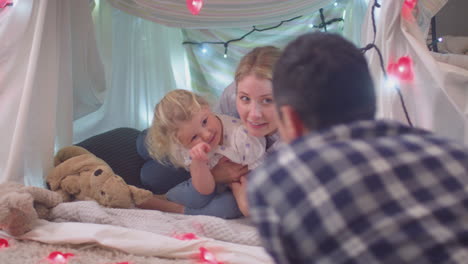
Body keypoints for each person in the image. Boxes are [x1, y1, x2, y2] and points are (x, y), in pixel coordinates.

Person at [248, 32, 468, 263]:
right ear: (371, 100)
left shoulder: (275, 181)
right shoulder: (452, 153)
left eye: (267, 101)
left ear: (291, 120)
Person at [138, 46, 282, 213]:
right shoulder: (231, 97)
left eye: (267, 100)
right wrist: (212, 170)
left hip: (219, 169)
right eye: (244, 98)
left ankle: (172, 205)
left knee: (150, 176)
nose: (254, 115)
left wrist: (227, 184)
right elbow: (200, 124)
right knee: (143, 142)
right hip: (205, 157)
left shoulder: (294, 142)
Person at [141, 89, 265, 218]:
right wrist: (198, 163)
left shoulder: (241, 137)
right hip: (210, 184)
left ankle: (175, 208)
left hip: (242, 186)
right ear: (181, 143)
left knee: (228, 207)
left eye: (205, 122)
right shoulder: (188, 149)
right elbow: (205, 189)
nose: (206, 135)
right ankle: (165, 198)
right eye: (194, 137)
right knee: (195, 196)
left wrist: (237, 190)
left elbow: (261, 175)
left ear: (207, 107)